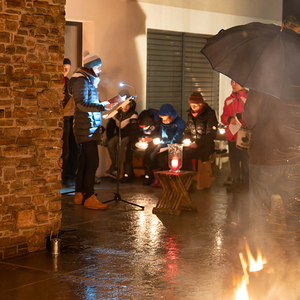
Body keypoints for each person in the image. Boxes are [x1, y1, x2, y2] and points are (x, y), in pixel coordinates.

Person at [243, 89, 300, 229]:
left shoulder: (261, 87)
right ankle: (294, 249)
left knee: (260, 210)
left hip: (264, 157)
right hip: (293, 158)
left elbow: (249, 120)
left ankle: (259, 246)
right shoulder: (296, 84)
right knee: (293, 211)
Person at [68, 50, 109, 210]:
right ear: (91, 67)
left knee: (85, 161)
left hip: (88, 126)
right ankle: (89, 197)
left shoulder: (86, 80)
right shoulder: (82, 81)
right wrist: (103, 106)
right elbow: (82, 105)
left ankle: (80, 194)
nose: (100, 70)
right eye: (98, 67)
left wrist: (103, 105)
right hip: (86, 128)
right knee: (92, 162)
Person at [145, 104, 186, 186]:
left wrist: (170, 145)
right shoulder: (162, 123)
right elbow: (161, 134)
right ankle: (157, 179)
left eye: (164, 117)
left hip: (173, 146)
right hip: (162, 144)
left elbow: (178, 136)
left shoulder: (179, 123)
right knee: (152, 156)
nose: (163, 120)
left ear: (170, 115)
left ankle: (165, 180)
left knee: (164, 159)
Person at [221, 80, 250, 190]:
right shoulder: (228, 100)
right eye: (231, 83)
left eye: (236, 83)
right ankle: (235, 181)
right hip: (232, 135)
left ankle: (245, 182)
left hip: (244, 135)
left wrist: (242, 118)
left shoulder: (248, 99)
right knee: (234, 159)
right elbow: (223, 117)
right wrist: (229, 119)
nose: (233, 85)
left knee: (245, 159)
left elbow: (252, 116)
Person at [105, 90, 139, 183]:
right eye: (123, 104)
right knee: (111, 144)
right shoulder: (117, 113)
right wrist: (109, 138)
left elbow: (134, 131)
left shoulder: (133, 114)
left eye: (127, 104)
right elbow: (110, 127)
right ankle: (115, 164)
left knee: (120, 146)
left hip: (128, 136)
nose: (125, 107)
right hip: (119, 134)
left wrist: (132, 143)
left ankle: (117, 169)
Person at [182, 92, 218, 171]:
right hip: (192, 145)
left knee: (187, 155)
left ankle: (192, 177)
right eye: (191, 105)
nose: (193, 107)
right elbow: (187, 131)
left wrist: (198, 143)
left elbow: (211, 134)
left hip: (205, 147)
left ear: (201, 104)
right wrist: (187, 139)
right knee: (181, 154)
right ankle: (186, 178)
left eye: (195, 105)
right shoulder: (190, 115)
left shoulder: (209, 114)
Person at [61, 57, 79, 188]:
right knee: (65, 150)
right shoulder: (57, 82)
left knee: (75, 148)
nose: (66, 70)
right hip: (63, 119)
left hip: (72, 118)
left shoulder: (69, 82)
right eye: (63, 68)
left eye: (68, 68)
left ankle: (71, 175)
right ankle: (65, 176)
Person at [137, 109, 161, 185]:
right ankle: (147, 173)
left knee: (149, 154)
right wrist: (141, 138)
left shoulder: (158, 123)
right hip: (147, 142)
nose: (144, 129)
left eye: (145, 127)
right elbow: (139, 133)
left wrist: (152, 139)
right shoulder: (143, 119)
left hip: (157, 143)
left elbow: (160, 135)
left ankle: (149, 175)